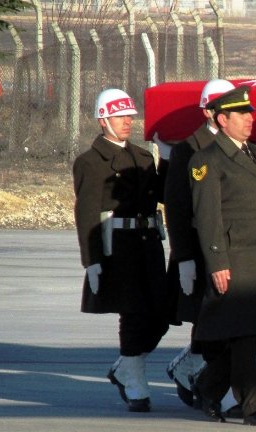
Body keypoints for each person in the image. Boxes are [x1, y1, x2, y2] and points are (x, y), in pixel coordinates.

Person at [188, 85, 256, 427]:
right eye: (243, 114)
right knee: (245, 335)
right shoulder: (207, 160)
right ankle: (253, 405)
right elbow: (208, 218)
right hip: (236, 260)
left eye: (251, 113)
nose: (251, 119)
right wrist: (217, 263)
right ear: (223, 119)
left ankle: (207, 385)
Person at [72, 88, 169, 412]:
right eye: (120, 116)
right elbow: (86, 213)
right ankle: (136, 380)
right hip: (119, 248)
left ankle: (126, 366)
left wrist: (167, 158)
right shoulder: (90, 162)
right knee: (133, 313)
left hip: (148, 244)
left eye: (130, 116)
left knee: (162, 315)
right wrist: (92, 259)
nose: (128, 122)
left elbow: (163, 194)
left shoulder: (143, 157)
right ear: (103, 120)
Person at [161, 78, 235, 410]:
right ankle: (199, 377)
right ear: (208, 111)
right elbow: (176, 208)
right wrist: (184, 257)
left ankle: (192, 371)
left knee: (221, 318)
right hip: (198, 248)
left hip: (230, 247)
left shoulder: (240, 145)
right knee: (209, 319)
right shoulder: (187, 149)